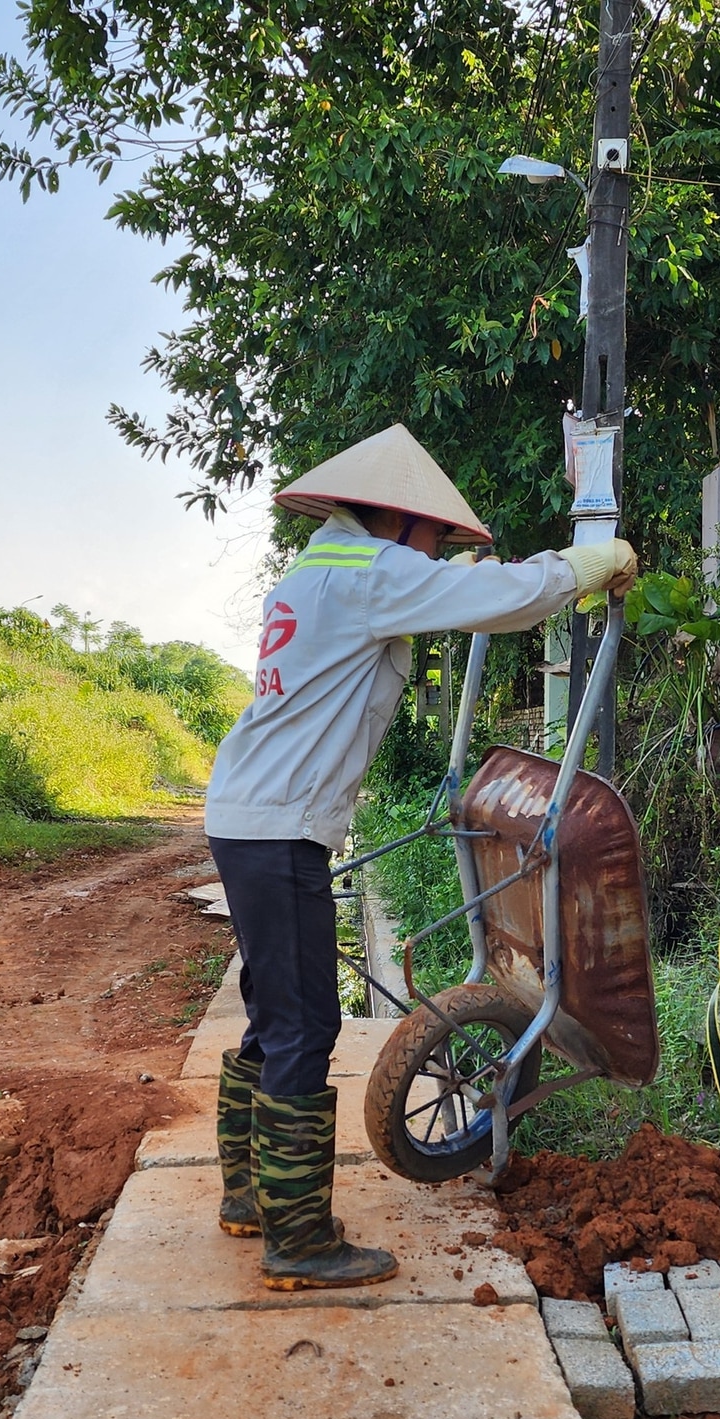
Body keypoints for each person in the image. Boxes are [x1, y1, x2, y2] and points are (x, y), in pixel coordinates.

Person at [201, 423, 637, 1291]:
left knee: (271, 1011)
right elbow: (500, 601)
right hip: (279, 825)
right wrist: (577, 570)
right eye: (436, 537)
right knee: (304, 1027)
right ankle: (299, 1239)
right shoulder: (372, 573)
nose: (437, 550)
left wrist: (445, 580)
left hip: (246, 814)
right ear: (400, 523)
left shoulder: (320, 572)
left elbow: (422, 599)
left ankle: (249, 1197)